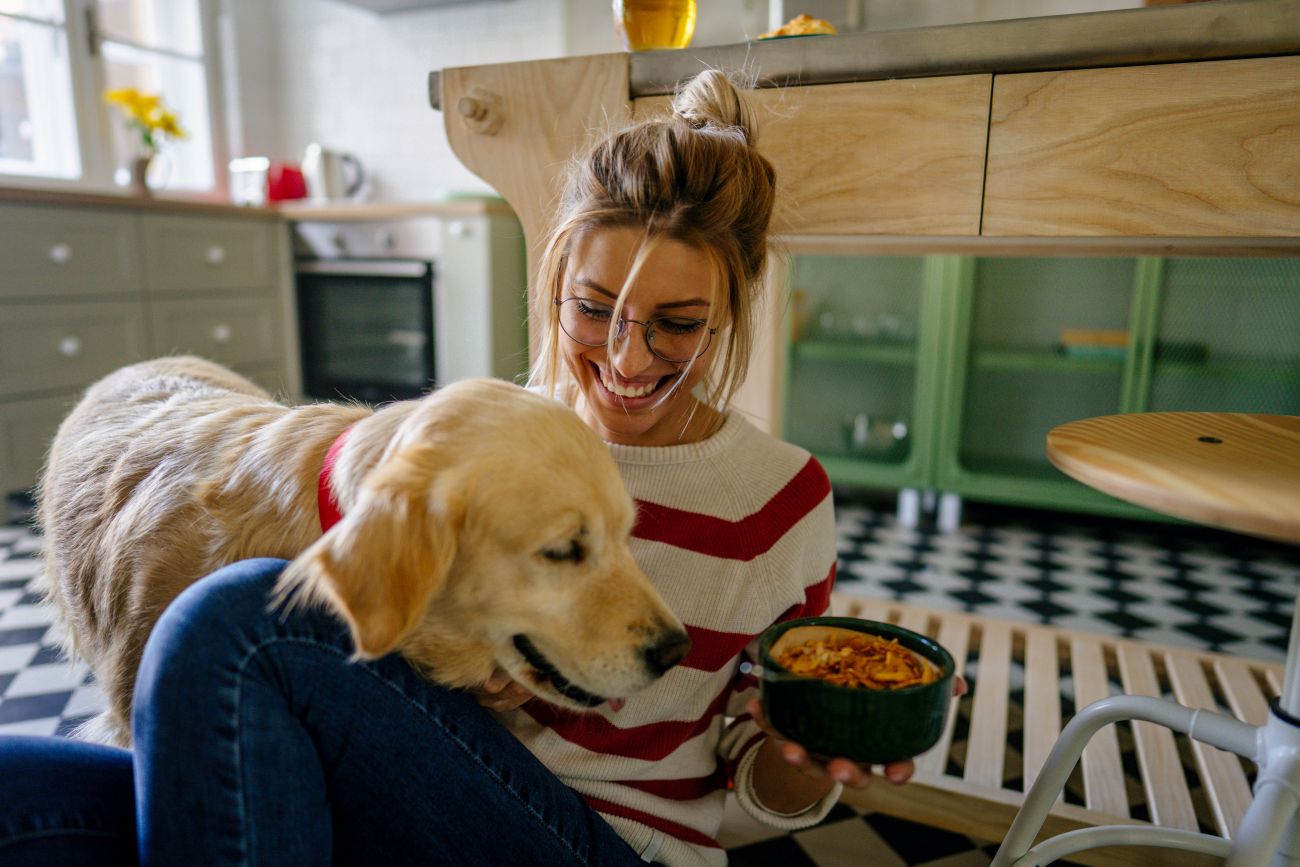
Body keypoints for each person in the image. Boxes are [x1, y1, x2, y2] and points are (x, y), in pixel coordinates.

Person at [0, 69, 959, 866]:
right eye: (594, 310)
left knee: (237, 621)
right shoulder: (503, 444)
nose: (627, 359)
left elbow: (750, 790)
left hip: (604, 842)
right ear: (552, 281)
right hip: (400, 799)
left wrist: (814, 760)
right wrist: (475, 678)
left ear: (732, 310)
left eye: (675, 324)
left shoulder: (781, 501)